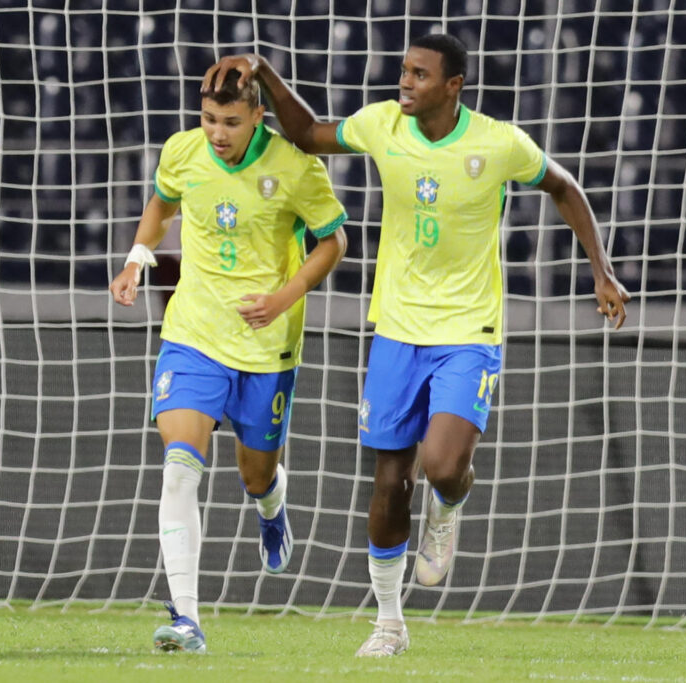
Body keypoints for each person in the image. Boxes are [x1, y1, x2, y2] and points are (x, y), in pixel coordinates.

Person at [205, 33, 631, 657]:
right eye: (404, 71)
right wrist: (264, 72)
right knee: (387, 481)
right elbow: (306, 134)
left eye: (420, 75)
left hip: (468, 331)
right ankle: (389, 623)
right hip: (398, 330)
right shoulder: (383, 124)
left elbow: (565, 187)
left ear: (453, 85)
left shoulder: (498, 141)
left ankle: (449, 507)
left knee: (443, 466)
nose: (404, 82)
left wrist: (601, 268)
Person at [110, 68, 347, 653]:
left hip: (266, 344)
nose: (216, 133)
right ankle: (186, 618)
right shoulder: (182, 151)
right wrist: (138, 258)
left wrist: (282, 298)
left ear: (257, 117)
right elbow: (162, 206)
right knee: (178, 469)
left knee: (254, 473)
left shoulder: (296, 168)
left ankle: (270, 506)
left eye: (231, 122)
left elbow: (334, 242)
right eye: (209, 119)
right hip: (193, 333)